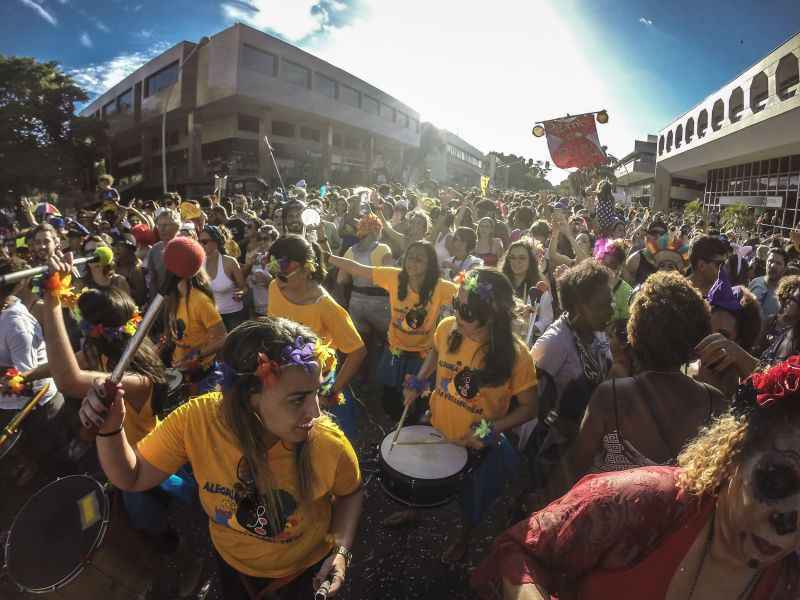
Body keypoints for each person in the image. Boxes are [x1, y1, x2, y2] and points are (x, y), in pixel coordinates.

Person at [79, 318, 364, 600]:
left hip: (305, 573)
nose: (315, 412)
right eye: (297, 399)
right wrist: (110, 429)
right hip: (234, 567)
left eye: (315, 393)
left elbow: (350, 494)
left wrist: (341, 551)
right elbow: (133, 476)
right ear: (249, 396)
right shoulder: (197, 421)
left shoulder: (328, 444)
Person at [473, 356, 800, 600]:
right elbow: (517, 550)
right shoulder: (638, 503)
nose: (789, 524)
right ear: (736, 452)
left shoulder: (789, 584)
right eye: (778, 479)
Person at [399, 268, 537, 562]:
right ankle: (413, 510)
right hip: (437, 423)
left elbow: (530, 407)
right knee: (421, 473)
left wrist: (490, 430)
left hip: (476, 442)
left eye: (468, 311)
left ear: (493, 315)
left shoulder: (517, 356)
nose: (459, 315)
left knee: (471, 498)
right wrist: (420, 381)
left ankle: (464, 537)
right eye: (456, 305)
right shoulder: (448, 327)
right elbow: (436, 352)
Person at [570, 272, 728, 479]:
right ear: (697, 333)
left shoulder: (612, 396)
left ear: (636, 330)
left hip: (617, 511)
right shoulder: (714, 401)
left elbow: (576, 467)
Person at [327, 241, 458, 422]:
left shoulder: (440, 287)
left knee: (420, 401)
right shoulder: (394, 277)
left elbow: (466, 295)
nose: (412, 262)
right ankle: (394, 424)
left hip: (423, 356)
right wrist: (328, 257)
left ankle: (413, 428)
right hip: (395, 351)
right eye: (410, 257)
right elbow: (358, 269)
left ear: (430, 265)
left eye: (419, 259)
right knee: (390, 399)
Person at [529, 260, 614, 500]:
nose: (610, 310)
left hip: (590, 439)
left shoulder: (598, 333)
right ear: (579, 306)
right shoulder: (554, 343)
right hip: (555, 450)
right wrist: (565, 427)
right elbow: (534, 404)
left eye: (610, 302)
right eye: (602, 305)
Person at [267, 236, 366, 439]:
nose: (278, 280)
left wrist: (331, 391)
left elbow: (358, 352)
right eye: (274, 273)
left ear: (306, 270)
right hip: (285, 374)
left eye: (284, 276)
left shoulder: (326, 308)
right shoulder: (274, 288)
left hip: (316, 381)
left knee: (320, 437)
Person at [0, 257, 65, 485]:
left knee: (45, 462)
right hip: (9, 402)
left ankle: (34, 468)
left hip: (36, 407)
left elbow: (26, 377)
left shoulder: (16, 324)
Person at [163, 238, 227, 394]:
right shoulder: (173, 297)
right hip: (180, 369)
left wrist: (197, 355)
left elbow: (223, 338)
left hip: (202, 374)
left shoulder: (200, 301)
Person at [337, 214, 393, 346]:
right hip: (380, 304)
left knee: (360, 346)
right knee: (387, 344)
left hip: (356, 303)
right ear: (376, 230)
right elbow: (390, 278)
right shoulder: (383, 249)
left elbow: (341, 280)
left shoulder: (350, 251)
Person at [200, 225, 247, 332]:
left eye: (205, 242)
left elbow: (244, 287)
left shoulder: (230, 262)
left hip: (233, 315)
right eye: (199, 241)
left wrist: (241, 293)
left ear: (216, 242)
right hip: (211, 317)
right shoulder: (199, 263)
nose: (201, 245)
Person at [147, 208, 180, 300]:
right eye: (159, 225)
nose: (161, 229)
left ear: (176, 227)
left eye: (165, 225)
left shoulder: (185, 248)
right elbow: (153, 280)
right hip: (160, 302)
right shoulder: (155, 249)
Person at [622, 220, 668, 285]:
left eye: (662, 234)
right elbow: (624, 289)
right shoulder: (635, 260)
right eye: (653, 233)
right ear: (646, 236)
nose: (657, 237)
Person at [749, 247, 787, 322]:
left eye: (778, 263)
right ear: (766, 263)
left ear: (785, 268)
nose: (773, 266)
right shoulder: (755, 282)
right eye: (770, 261)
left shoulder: (786, 293)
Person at [112, 231, 148, 307]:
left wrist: (123, 287)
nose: (117, 249)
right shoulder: (113, 265)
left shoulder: (135, 269)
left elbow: (141, 297)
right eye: (116, 245)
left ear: (130, 249)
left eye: (121, 246)